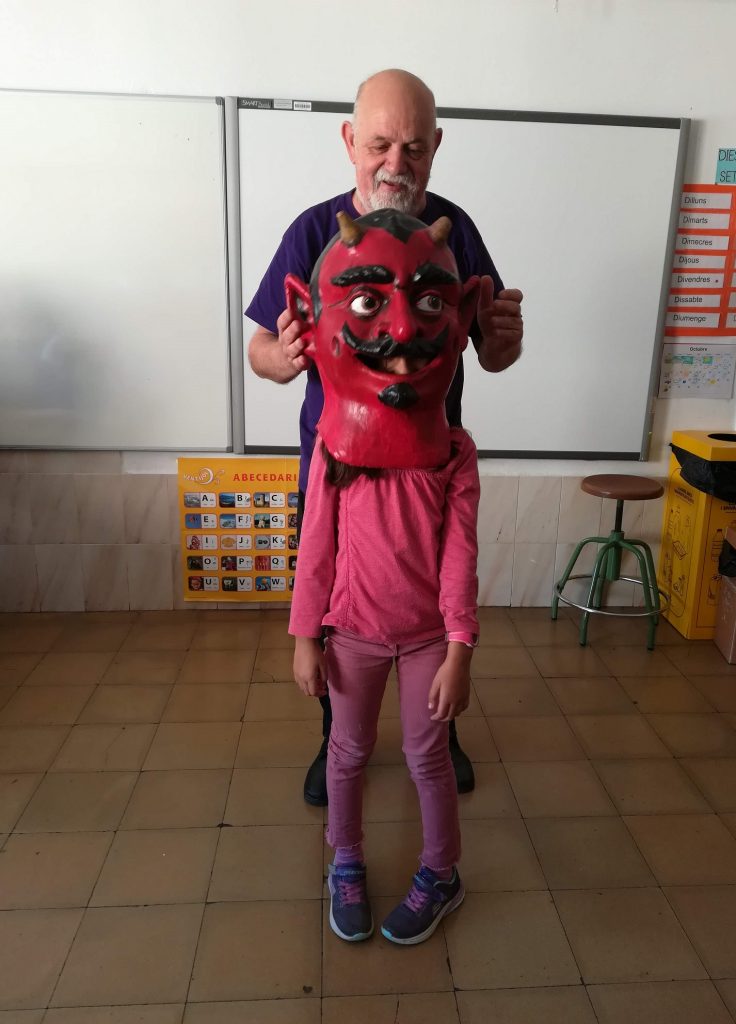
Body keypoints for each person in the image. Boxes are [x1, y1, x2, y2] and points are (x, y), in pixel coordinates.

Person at [246, 69, 524, 806]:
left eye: (413, 147)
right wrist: (283, 355)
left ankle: (440, 733)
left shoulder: (457, 232)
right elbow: (260, 350)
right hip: (337, 469)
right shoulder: (313, 231)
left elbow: (491, 351)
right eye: (379, 145)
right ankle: (336, 737)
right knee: (336, 609)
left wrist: (504, 340)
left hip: (431, 471)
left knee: (437, 601)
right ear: (350, 141)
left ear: (436, 146)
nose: (395, 164)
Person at [289, 207, 480, 944]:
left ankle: (441, 871)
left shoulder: (455, 453)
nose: (402, 329)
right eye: (369, 300)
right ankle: (346, 860)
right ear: (312, 317)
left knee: (428, 757)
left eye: (428, 302)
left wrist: (459, 648)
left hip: (429, 636)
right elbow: (315, 549)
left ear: (460, 313)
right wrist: (306, 636)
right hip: (353, 633)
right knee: (347, 753)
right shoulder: (331, 448)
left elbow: (460, 554)